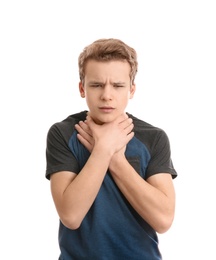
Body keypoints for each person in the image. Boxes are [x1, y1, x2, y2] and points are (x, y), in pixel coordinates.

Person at [45, 38, 177, 260]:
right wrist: (102, 150)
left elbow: (163, 220)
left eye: (117, 85)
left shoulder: (154, 138)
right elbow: (71, 215)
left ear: (131, 90)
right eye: (96, 85)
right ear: (82, 88)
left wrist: (115, 158)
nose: (107, 95)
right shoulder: (63, 133)